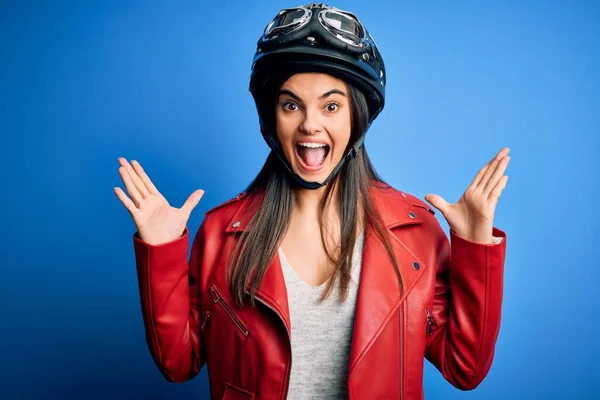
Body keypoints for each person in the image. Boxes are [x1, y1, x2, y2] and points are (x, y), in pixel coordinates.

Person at [114, 3, 509, 399]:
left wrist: (477, 248)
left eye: (331, 105)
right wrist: (162, 250)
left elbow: (465, 368)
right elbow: (178, 363)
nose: (309, 123)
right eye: (291, 105)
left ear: (356, 117)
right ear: (273, 119)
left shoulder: (415, 231)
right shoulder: (222, 232)